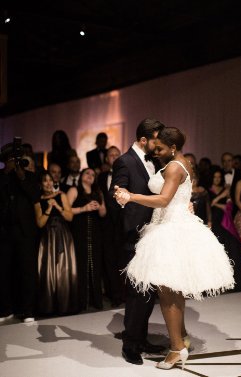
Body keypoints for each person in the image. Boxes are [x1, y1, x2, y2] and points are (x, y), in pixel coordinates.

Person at [114, 127, 234, 370]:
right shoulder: (184, 163)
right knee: (172, 291)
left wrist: (131, 196)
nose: (155, 152)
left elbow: (164, 200)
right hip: (170, 224)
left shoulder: (173, 167)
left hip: (170, 229)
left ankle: (176, 349)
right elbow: (180, 193)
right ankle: (181, 338)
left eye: (159, 148)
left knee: (168, 293)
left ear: (173, 148)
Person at [109, 118, 166, 365]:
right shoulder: (124, 161)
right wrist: (122, 197)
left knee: (148, 291)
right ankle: (130, 344)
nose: (159, 143)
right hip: (134, 235)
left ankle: (141, 339)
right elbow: (117, 194)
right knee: (135, 291)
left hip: (153, 234)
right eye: (156, 139)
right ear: (144, 140)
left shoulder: (154, 161)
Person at [0, 141, 40, 324]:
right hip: (5, 231)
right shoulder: (2, 177)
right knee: (4, 271)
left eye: (16, 159)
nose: (14, 162)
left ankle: (28, 310)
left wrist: (21, 175)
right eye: (10, 160)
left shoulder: (30, 176)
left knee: (27, 271)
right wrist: (7, 174)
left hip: (26, 232)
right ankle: (6, 308)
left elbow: (34, 195)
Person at [35, 171, 78, 315]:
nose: (48, 183)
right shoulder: (38, 200)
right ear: (40, 184)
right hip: (47, 238)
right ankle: (49, 307)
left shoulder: (61, 195)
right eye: (44, 180)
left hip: (63, 236)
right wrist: (48, 208)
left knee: (64, 271)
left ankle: (65, 307)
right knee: (48, 272)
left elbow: (70, 217)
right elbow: (40, 223)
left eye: (50, 180)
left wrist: (57, 206)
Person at [67, 168, 106, 311]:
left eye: (92, 174)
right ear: (81, 175)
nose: (90, 176)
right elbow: (66, 211)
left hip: (95, 233)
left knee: (95, 266)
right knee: (81, 265)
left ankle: (96, 301)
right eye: (87, 173)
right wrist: (84, 208)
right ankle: (81, 302)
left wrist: (98, 206)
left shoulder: (98, 192)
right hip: (79, 231)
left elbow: (103, 213)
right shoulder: (74, 190)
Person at [209, 169, 241, 292]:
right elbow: (207, 205)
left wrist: (216, 201)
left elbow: (229, 207)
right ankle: (217, 286)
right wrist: (216, 201)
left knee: (231, 252)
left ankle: (236, 284)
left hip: (225, 224)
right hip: (213, 223)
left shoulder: (226, 190)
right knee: (215, 253)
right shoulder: (207, 190)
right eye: (215, 176)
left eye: (219, 177)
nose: (217, 179)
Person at [98, 146, 123, 307]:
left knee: (122, 259)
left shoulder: (126, 174)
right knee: (108, 259)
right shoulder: (100, 177)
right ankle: (113, 295)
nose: (113, 157)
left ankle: (123, 294)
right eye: (110, 155)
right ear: (106, 158)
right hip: (106, 223)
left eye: (116, 155)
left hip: (122, 223)